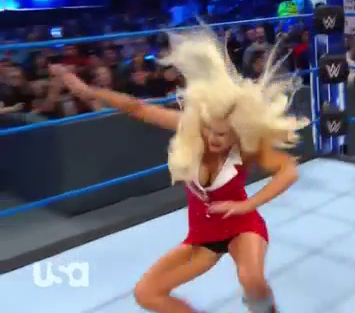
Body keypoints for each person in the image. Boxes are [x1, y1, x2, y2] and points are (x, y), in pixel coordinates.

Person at [50, 29, 308, 313]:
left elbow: (288, 170)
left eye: (222, 134)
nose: (213, 138)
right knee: (146, 293)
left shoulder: (247, 147)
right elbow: (137, 109)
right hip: (203, 237)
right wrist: (87, 91)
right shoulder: (191, 128)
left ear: (237, 132)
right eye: (209, 129)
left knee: (251, 279)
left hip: (242, 227)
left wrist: (248, 204)